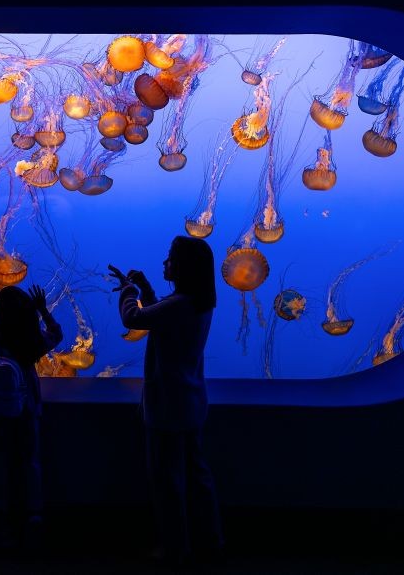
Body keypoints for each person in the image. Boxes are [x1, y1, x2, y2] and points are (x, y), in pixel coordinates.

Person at [108, 236, 223, 566]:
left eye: (170, 258)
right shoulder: (198, 303)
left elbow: (134, 319)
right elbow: (164, 321)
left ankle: (176, 549)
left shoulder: (179, 305)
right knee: (197, 477)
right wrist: (146, 290)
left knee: (167, 481)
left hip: (168, 407)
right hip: (191, 401)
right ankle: (211, 542)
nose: (164, 263)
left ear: (183, 267)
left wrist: (129, 289)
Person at [0, 232, 62, 550]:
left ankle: (0, 526)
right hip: (27, 410)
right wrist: (42, 310)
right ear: (28, 315)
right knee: (30, 461)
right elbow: (56, 334)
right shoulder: (33, 340)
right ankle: (34, 518)